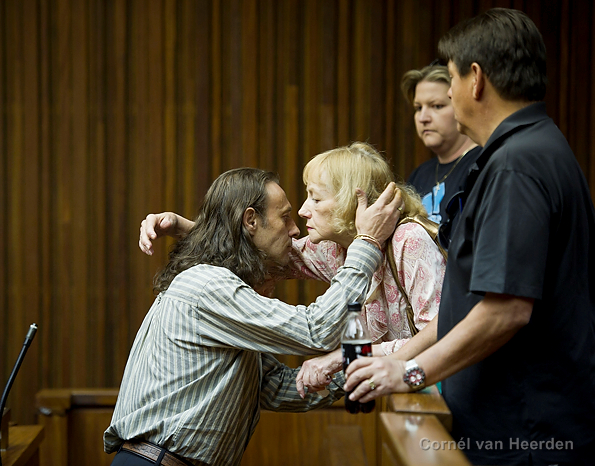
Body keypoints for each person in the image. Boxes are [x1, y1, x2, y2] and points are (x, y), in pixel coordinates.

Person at [344, 8, 595, 466]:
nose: (450, 92)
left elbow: (505, 311)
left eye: (452, 78)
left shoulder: (516, 165)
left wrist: (410, 372)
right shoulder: (537, 146)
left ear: (475, 79)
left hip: (524, 435)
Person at [105, 167, 402, 466]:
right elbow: (315, 330)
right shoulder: (207, 285)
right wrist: (367, 243)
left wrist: (361, 368)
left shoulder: (212, 288)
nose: (295, 230)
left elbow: (277, 387)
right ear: (250, 220)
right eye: (285, 217)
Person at [138, 143, 447, 396]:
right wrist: (185, 228)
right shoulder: (332, 248)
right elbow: (256, 249)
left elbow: (443, 329)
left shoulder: (407, 239)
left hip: (439, 383)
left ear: (351, 203)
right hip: (401, 389)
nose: (303, 210)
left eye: (316, 198)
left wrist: (343, 357)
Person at [401, 63, 480, 236]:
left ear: (460, 105)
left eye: (436, 106)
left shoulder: (482, 164)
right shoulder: (419, 174)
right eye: (418, 108)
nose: (423, 118)